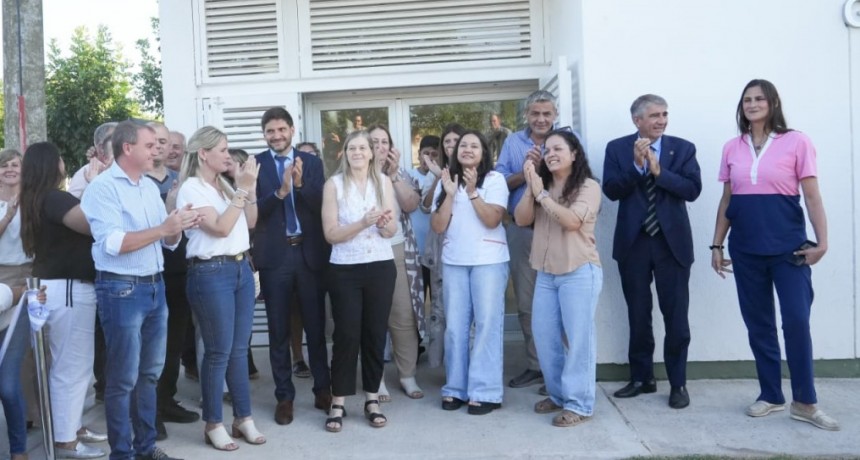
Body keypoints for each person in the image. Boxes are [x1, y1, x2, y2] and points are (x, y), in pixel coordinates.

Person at [711, 79, 838, 431]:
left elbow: (812, 197)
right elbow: (727, 200)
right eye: (747, 99)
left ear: (772, 103)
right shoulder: (731, 147)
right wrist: (717, 244)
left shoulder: (796, 142)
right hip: (746, 250)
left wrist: (822, 242)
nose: (752, 104)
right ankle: (770, 395)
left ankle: (805, 402)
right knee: (759, 325)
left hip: (789, 248)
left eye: (759, 99)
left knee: (796, 322)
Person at [81, 120, 198, 460]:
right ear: (127, 148)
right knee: (122, 380)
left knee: (149, 374)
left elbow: (168, 242)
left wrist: (177, 227)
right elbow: (114, 242)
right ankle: (122, 453)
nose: (157, 150)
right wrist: (164, 228)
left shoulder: (147, 186)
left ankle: (145, 448)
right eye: (150, 145)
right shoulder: (102, 188)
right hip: (121, 290)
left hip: (153, 287)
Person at [603, 94, 701, 409]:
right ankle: (642, 378)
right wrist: (636, 166)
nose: (661, 120)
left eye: (664, 114)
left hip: (671, 245)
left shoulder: (682, 148)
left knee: (676, 318)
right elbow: (612, 190)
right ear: (637, 121)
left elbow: (692, 190)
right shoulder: (617, 148)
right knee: (638, 315)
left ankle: (678, 383)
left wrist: (659, 173)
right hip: (634, 244)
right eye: (654, 115)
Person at [177, 126, 266, 450]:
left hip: (241, 268)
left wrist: (248, 189)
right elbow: (220, 228)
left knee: (240, 350)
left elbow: (251, 220)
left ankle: (243, 418)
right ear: (204, 153)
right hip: (211, 273)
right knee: (218, 352)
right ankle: (213, 422)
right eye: (223, 150)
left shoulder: (224, 185)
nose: (229, 156)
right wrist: (241, 191)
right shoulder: (191, 189)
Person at [19, 143, 107, 459]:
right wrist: (97, 184)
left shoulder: (38, 198)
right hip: (67, 289)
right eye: (59, 158)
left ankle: (70, 427)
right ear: (51, 164)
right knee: (72, 367)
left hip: (53, 288)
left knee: (67, 365)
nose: (63, 163)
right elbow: (91, 224)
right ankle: (65, 441)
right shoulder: (55, 198)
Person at [514, 129, 602, 427]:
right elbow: (521, 219)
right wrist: (531, 188)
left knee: (579, 341)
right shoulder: (542, 186)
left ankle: (579, 403)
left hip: (579, 272)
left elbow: (572, 221)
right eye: (546, 150)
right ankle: (559, 394)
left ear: (574, 154)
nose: (550, 154)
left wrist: (541, 194)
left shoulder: (588, 186)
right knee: (545, 337)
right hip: (547, 274)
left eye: (558, 149)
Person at [253, 107, 331, 426]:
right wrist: (280, 192)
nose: (276, 135)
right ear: (264, 134)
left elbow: (322, 204)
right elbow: (253, 213)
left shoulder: (311, 163)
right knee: (278, 330)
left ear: (292, 130)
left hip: (309, 254)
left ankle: (323, 390)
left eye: (281, 129)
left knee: (316, 327)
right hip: (275, 257)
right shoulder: (254, 165)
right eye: (270, 131)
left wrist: (299, 186)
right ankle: (284, 396)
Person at [321, 129, 397, 432]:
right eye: (351, 148)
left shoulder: (384, 182)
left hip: (380, 266)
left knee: (375, 334)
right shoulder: (334, 185)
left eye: (362, 148)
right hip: (345, 269)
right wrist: (362, 222)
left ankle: (372, 398)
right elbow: (331, 235)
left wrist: (382, 225)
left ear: (371, 153)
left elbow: (391, 233)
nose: (356, 152)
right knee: (346, 335)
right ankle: (337, 401)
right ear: (345, 154)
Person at [431, 130, 509, 415]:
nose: (467, 149)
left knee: (487, 326)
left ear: (484, 152)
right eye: (463, 145)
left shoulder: (495, 180)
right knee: (455, 328)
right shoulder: (445, 181)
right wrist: (451, 195)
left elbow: (492, 220)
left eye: (474, 145)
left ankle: (486, 391)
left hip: (488, 261)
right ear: (454, 151)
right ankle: (456, 389)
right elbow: (438, 227)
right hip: (454, 262)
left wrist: (473, 192)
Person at [496, 90, 558, 389]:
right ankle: (536, 365)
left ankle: (560, 371)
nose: (541, 119)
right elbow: (499, 183)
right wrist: (525, 171)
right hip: (522, 231)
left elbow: (581, 177)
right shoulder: (513, 143)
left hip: (559, 230)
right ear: (527, 116)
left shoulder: (568, 142)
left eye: (547, 113)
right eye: (535, 113)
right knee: (527, 302)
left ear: (555, 115)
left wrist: (547, 166)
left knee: (561, 303)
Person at [368, 124, 424, 400]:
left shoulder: (399, 174)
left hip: (397, 250)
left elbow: (412, 204)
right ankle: (375, 379)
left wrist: (393, 176)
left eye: (384, 142)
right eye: (374, 142)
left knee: (404, 316)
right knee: (372, 320)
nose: (380, 147)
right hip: (366, 254)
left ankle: (407, 375)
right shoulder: (353, 175)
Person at [151, 122, 199, 442]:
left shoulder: (184, 183)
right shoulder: (137, 182)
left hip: (181, 270)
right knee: (152, 347)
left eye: (170, 143)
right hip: (152, 274)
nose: (165, 148)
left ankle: (166, 400)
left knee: (175, 342)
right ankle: (149, 411)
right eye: (159, 142)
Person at [420, 123, 465, 368]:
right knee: (440, 303)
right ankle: (442, 364)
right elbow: (425, 205)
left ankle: (461, 363)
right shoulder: (436, 172)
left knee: (462, 308)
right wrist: (438, 176)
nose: (451, 145)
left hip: (465, 246)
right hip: (440, 244)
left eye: (455, 140)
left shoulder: (473, 169)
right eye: (446, 141)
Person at [0, 282, 44, 460]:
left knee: (7, 388)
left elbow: (20, 292)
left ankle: (18, 451)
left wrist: (32, 293)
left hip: (12, 318)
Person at [409, 135, 441, 305]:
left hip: (437, 252)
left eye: (434, 154)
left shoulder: (444, 177)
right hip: (416, 253)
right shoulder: (408, 176)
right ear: (419, 155)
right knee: (417, 303)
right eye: (425, 153)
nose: (428, 158)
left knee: (438, 302)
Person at [68, 122, 118, 199]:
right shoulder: (84, 173)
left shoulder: (127, 172)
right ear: (101, 148)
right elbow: (72, 206)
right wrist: (94, 183)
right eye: (117, 139)